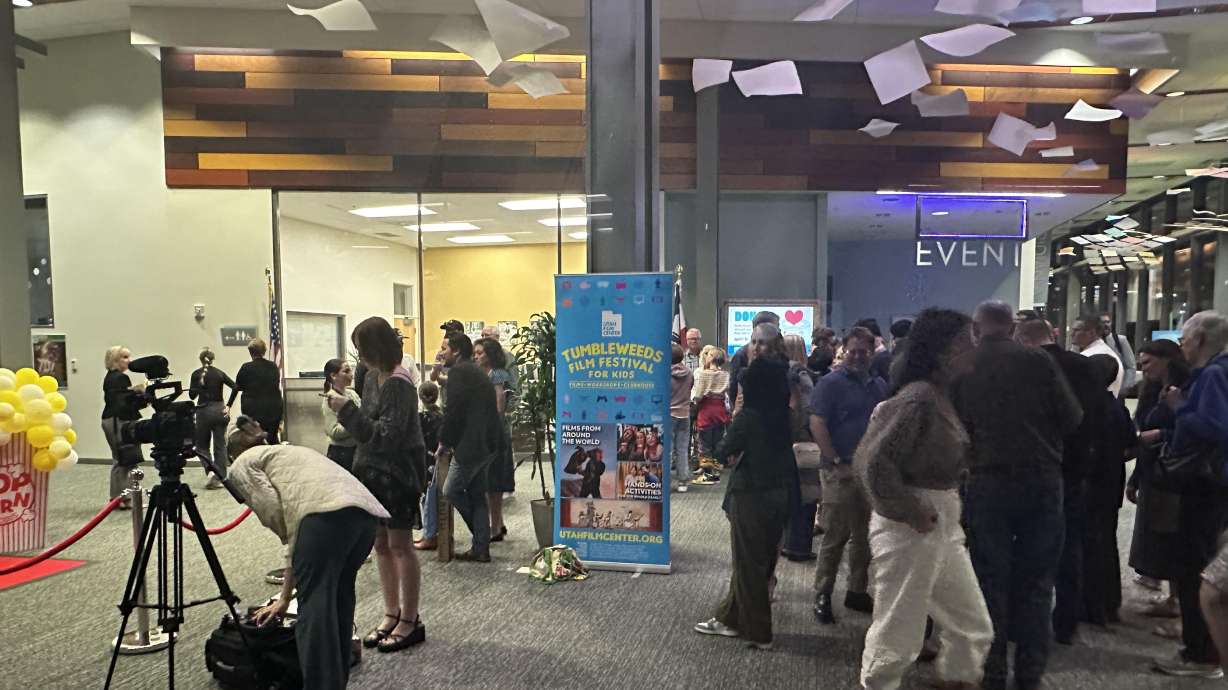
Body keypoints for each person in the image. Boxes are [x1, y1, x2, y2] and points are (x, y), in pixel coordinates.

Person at [855, 307, 993, 690]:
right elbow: (872, 463)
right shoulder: (919, 398)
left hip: (939, 520)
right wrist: (910, 509)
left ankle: (956, 681)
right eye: (968, 341)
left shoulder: (939, 395)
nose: (975, 348)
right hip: (913, 524)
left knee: (972, 627)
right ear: (944, 350)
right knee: (898, 632)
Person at [954, 300, 1082, 690]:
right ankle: (1030, 674)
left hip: (986, 481)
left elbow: (955, 426)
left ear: (977, 327)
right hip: (1042, 480)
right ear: (1012, 327)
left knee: (989, 578)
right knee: (1038, 581)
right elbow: (1072, 417)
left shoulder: (966, 366)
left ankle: (991, 672)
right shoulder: (1038, 362)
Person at [229, 420, 387, 690]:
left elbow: (276, 514)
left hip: (323, 521)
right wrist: (285, 595)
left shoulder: (241, 464)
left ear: (233, 453)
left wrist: (288, 588)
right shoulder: (286, 451)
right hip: (365, 518)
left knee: (314, 613)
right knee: (338, 599)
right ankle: (336, 681)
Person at [693, 327, 797, 650]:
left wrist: (736, 422)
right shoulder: (786, 412)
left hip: (752, 493)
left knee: (748, 564)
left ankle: (759, 631)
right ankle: (730, 617)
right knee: (762, 560)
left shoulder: (749, 415)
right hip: (783, 490)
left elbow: (723, 451)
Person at [329, 316, 427, 654]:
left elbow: (387, 436)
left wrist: (347, 412)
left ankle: (410, 619)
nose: (359, 356)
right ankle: (391, 612)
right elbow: (370, 427)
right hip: (371, 473)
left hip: (397, 476)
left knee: (400, 546)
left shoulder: (399, 383)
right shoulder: (372, 377)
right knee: (381, 546)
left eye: (362, 349)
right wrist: (352, 413)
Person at [1150, 311, 1228, 679]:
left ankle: (1201, 653)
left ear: (1200, 340)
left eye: (1186, 337)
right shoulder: (1214, 373)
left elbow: (1213, 428)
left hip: (1201, 486)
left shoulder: (1212, 375)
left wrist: (1179, 406)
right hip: (1209, 485)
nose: (1181, 343)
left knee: (1193, 566)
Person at [1014, 318, 1102, 645]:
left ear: (1023, 339)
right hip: (1076, 468)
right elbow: (1094, 417)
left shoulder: (1026, 368)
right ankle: (1067, 622)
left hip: (1037, 468)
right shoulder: (1085, 366)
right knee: (1070, 548)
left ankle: (1023, 622)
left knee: (1029, 547)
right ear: (1052, 333)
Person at [810, 326, 888, 624]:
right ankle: (822, 592)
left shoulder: (879, 385)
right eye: (853, 350)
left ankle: (856, 590)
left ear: (871, 352)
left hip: (868, 473)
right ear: (844, 350)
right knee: (836, 535)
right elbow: (817, 423)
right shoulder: (830, 384)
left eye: (863, 351)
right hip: (838, 471)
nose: (857, 356)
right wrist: (836, 460)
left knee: (864, 537)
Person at [1127, 339, 1191, 626]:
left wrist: (1161, 435)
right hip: (1154, 469)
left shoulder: (1185, 391)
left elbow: (1192, 430)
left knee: (1177, 538)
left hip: (1177, 473)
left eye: (1148, 363)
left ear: (1167, 360)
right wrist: (1136, 477)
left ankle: (1181, 603)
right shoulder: (1152, 390)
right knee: (1159, 536)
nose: (1143, 369)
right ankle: (1174, 598)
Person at [437, 332, 501, 563]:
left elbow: (454, 412)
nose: (441, 352)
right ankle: (480, 548)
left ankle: (481, 539)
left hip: (471, 445)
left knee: (451, 490)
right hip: (487, 443)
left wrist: (444, 442)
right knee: (476, 493)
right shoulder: (474, 371)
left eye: (444, 348)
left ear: (455, 351)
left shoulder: (459, 373)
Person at [1082, 354, 1135, 628]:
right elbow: (1131, 445)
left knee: (1088, 543)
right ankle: (1108, 604)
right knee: (1106, 542)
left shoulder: (1083, 408)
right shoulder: (1118, 408)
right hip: (1110, 482)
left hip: (1088, 483)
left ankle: (1090, 604)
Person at [781, 334, 819, 562]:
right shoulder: (801, 374)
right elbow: (808, 407)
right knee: (806, 494)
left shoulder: (777, 372)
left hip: (781, 438)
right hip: (802, 438)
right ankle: (799, 546)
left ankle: (786, 541)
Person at [475, 336, 515, 543]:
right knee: (491, 483)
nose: (477, 356)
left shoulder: (497, 374)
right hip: (492, 432)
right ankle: (497, 523)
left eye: (481, 353)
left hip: (494, 433)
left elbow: (499, 403)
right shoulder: (485, 374)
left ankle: (495, 526)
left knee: (493, 482)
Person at [101, 345, 144, 507]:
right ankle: (122, 497)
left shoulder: (112, 378)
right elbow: (122, 403)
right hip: (117, 420)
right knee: (124, 458)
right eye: (124, 357)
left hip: (112, 419)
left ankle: (118, 497)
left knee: (120, 459)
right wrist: (138, 394)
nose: (129, 361)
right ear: (115, 360)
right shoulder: (119, 378)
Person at [188, 348, 235, 490]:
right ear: (212, 359)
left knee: (202, 446)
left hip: (203, 411)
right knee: (220, 446)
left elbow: (192, 396)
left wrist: (198, 386)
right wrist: (229, 406)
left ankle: (210, 472)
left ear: (201, 360)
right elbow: (235, 386)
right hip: (220, 410)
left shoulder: (196, 374)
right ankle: (219, 478)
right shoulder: (219, 373)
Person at [227, 338, 284, 444]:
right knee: (272, 440)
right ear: (264, 351)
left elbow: (237, 387)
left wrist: (228, 405)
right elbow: (275, 385)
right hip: (273, 409)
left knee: (255, 441)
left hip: (253, 410)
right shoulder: (272, 367)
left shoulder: (246, 367)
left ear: (250, 352)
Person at [691, 346, 731, 485]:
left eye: (708, 355)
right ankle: (715, 471)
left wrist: (694, 402)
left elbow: (697, 395)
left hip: (706, 411)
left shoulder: (703, 374)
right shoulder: (725, 374)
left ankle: (707, 474)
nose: (706, 356)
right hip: (720, 410)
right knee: (717, 442)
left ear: (712, 358)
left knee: (704, 444)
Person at [414, 381, 444, 551]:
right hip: (437, 458)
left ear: (420, 397)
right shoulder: (441, 416)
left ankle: (429, 534)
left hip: (426, 460)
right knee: (433, 497)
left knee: (428, 499)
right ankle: (431, 532)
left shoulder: (421, 418)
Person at [729, 311, 780, 407]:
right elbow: (734, 387)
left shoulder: (778, 354)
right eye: (777, 326)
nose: (779, 330)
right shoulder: (741, 354)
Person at [321, 358, 361, 473]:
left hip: (356, 451)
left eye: (351, 371)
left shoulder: (352, 394)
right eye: (346, 371)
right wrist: (356, 424)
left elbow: (364, 414)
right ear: (333, 376)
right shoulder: (330, 399)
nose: (351, 375)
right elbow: (333, 431)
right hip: (340, 454)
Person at [1070, 314, 1124, 398]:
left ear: (1092, 332)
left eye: (1076, 330)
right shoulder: (1105, 352)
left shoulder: (1089, 357)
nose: (1071, 334)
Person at [670, 343, 695, 493]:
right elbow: (690, 389)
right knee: (682, 449)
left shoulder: (663, 373)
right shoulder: (690, 373)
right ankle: (682, 482)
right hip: (685, 414)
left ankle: (665, 482)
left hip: (668, 414)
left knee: (667, 450)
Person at [1100, 312, 1138, 395]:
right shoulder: (1092, 341)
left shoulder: (1120, 340)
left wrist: (1125, 387)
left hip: (1118, 390)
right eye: (1102, 322)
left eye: (1108, 322)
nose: (1106, 325)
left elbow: (1131, 366)